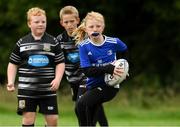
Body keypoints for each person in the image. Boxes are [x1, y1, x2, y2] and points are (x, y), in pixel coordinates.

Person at [6, 7, 65, 127]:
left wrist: (58, 79)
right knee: (28, 119)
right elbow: (13, 63)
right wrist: (11, 81)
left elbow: (60, 62)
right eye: (37, 22)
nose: (41, 24)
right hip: (27, 90)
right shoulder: (21, 43)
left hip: (48, 89)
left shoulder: (53, 42)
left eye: (43, 21)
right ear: (29, 23)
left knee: (53, 120)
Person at [73, 11, 128, 126]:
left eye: (98, 26)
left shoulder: (114, 42)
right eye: (91, 26)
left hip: (109, 86)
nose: (95, 29)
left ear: (103, 27)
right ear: (86, 29)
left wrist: (123, 69)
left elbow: (125, 51)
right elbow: (87, 71)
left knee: (81, 104)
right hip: (92, 85)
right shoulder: (83, 46)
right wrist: (108, 68)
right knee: (88, 114)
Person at [56, 6, 108, 126]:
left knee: (80, 107)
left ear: (78, 20)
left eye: (72, 21)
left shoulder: (88, 36)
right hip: (73, 80)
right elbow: (58, 61)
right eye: (66, 22)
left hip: (88, 77)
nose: (69, 25)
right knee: (93, 105)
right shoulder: (59, 40)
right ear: (61, 23)